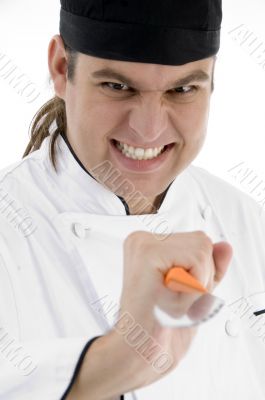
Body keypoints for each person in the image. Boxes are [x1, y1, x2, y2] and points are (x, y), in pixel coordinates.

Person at [0, 0, 265, 399]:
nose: (148, 129)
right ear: (60, 69)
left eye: (182, 89)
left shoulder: (248, 221)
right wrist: (116, 364)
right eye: (117, 86)